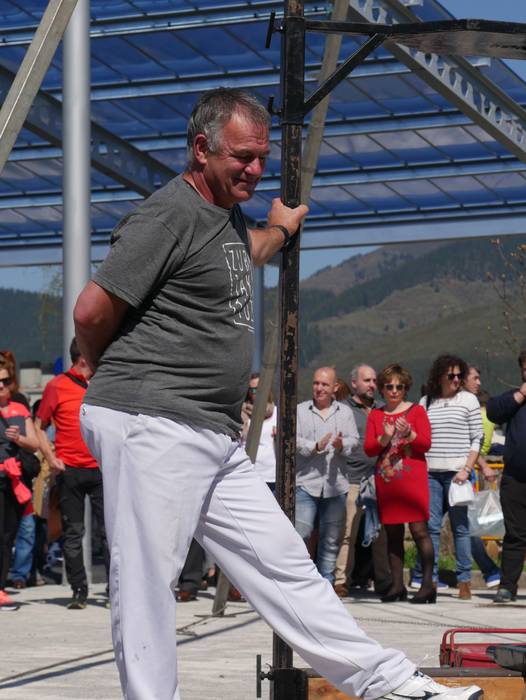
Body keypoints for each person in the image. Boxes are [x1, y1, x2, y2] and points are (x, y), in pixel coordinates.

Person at [73, 88, 482, 700]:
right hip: (152, 419)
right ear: (201, 148)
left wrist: (281, 231)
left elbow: (248, 251)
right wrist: (113, 373)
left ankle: (390, 685)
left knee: (285, 565)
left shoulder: (224, 217)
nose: (256, 169)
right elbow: (90, 310)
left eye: (262, 157)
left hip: (210, 431)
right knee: (147, 586)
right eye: (242, 156)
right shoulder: (168, 215)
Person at [35, 338, 109, 610]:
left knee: (110, 533)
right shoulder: (56, 386)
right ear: (84, 357)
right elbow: (39, 425)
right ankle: (79, 591)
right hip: (70, 471)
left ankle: (115, 591)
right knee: (73, 533)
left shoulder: (104, 383)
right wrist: (50, 457)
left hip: (102, 470)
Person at [364, 364, 434, 604]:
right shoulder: (376, 415)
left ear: (406, 389)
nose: (394, 391)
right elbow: (369, 449)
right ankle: (397, 585)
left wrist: (409, 434)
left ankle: (427, 585)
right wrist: (385, 436)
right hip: (388, 481)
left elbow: (426, 444)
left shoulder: (417, 411)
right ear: (382, 389)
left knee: (419, 531)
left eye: (399, 387)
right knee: (393, 534)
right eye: (389, 386)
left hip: (413, 480)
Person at [417, 355, 483, 601]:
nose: (456, 380)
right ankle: (431, 579)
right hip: (431, 473)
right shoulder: (426, 401)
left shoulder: (469, 400)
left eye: (459, 375)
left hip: (458, 473)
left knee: (461, 528)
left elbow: (477, 437)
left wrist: (467, 468)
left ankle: (464, 580)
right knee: (431, 528)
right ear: (440, 376)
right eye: (451, 375)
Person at [295, 366, 359, 583]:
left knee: (331, 540)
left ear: (335, 387)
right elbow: (293, 440)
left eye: (324, 384)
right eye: (316, 383)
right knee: (301, 535)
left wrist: (341, 445)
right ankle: (302, 582)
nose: (319, 388)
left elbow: (354, 441)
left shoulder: (345, 412)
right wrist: (315, 446)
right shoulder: (300, 410)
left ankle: (326, 584)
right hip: (305, 483)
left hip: (336, 486)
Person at [334, 364, 391, 598]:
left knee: (380, 534)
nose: (372, 385)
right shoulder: (342, 409)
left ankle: (384, 581)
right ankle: (341, 581)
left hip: (378, 481)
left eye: (374, 381)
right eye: (367, 381)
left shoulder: (382, 409)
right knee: (347, 533)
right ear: (354, 383)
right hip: (352, 480)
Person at [487, 349, 526, 603]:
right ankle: (507, 587)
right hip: (515, 479)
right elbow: (493, 411)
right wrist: (520, 395)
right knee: (515, 534)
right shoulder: (514, 398)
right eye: (525, 368)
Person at [0, 356, 39, 610]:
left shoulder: (20, 409)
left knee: (7, 536)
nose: (1, 386)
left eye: (5, 381)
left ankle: (1, 588)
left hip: (13, 480)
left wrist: (19, 439)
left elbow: (34, 444)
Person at [463, 367, 501, 589]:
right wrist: (484, 464)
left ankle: (425, 573)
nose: (478, 382)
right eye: (474, 378)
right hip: (460, 472)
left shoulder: (473, 408)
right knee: (462, 526)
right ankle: (489, 570)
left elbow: (473, 444)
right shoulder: (468, 408)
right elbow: (469, 444)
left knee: (463, 526)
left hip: (465, 473)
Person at [241, 372, 277, 491]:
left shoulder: (277, 413)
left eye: (257, 389)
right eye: (251, 390)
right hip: (249, 473)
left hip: (272, 475)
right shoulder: (242, 414)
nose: (254, 393)